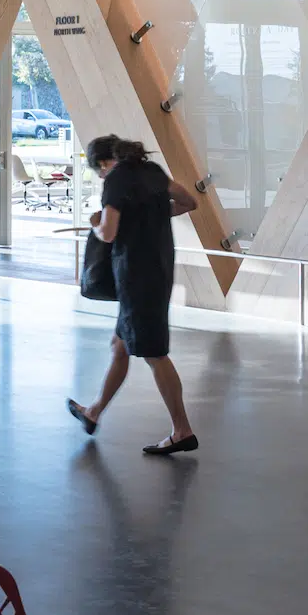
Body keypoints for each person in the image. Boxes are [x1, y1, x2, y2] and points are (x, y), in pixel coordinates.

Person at [67, 135, 200, 455]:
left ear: (103, 164)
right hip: (159, 269)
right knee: (120, 346)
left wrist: (95, 222)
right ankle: (93, 412)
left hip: (135, 276)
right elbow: (188, 203)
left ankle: (182, 430)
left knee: (155, 354)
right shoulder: (152, 171)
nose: (101, 176)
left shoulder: (116, 180)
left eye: (99, 171)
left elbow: (108, 233)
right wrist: (152, 215)